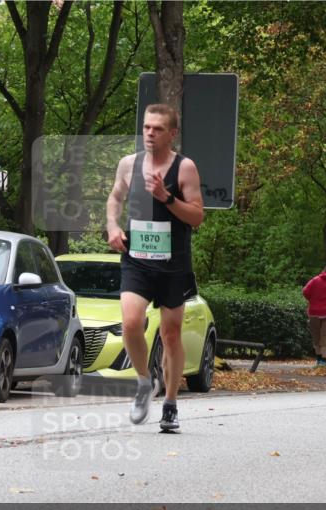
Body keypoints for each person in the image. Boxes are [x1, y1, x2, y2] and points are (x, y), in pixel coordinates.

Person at [106, 104, 204, 431]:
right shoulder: (128, 164)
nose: (149, 133)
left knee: (171, 334)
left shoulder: (185, 168)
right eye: (147, 127)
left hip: (173, 263)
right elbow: (115, 198)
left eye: (158, 128)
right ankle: (144, 382)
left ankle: (171, 403)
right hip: (137, 259)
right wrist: (113, 226)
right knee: (131, 322)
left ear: (172, 133)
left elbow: (197, 216)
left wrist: (167, 197)